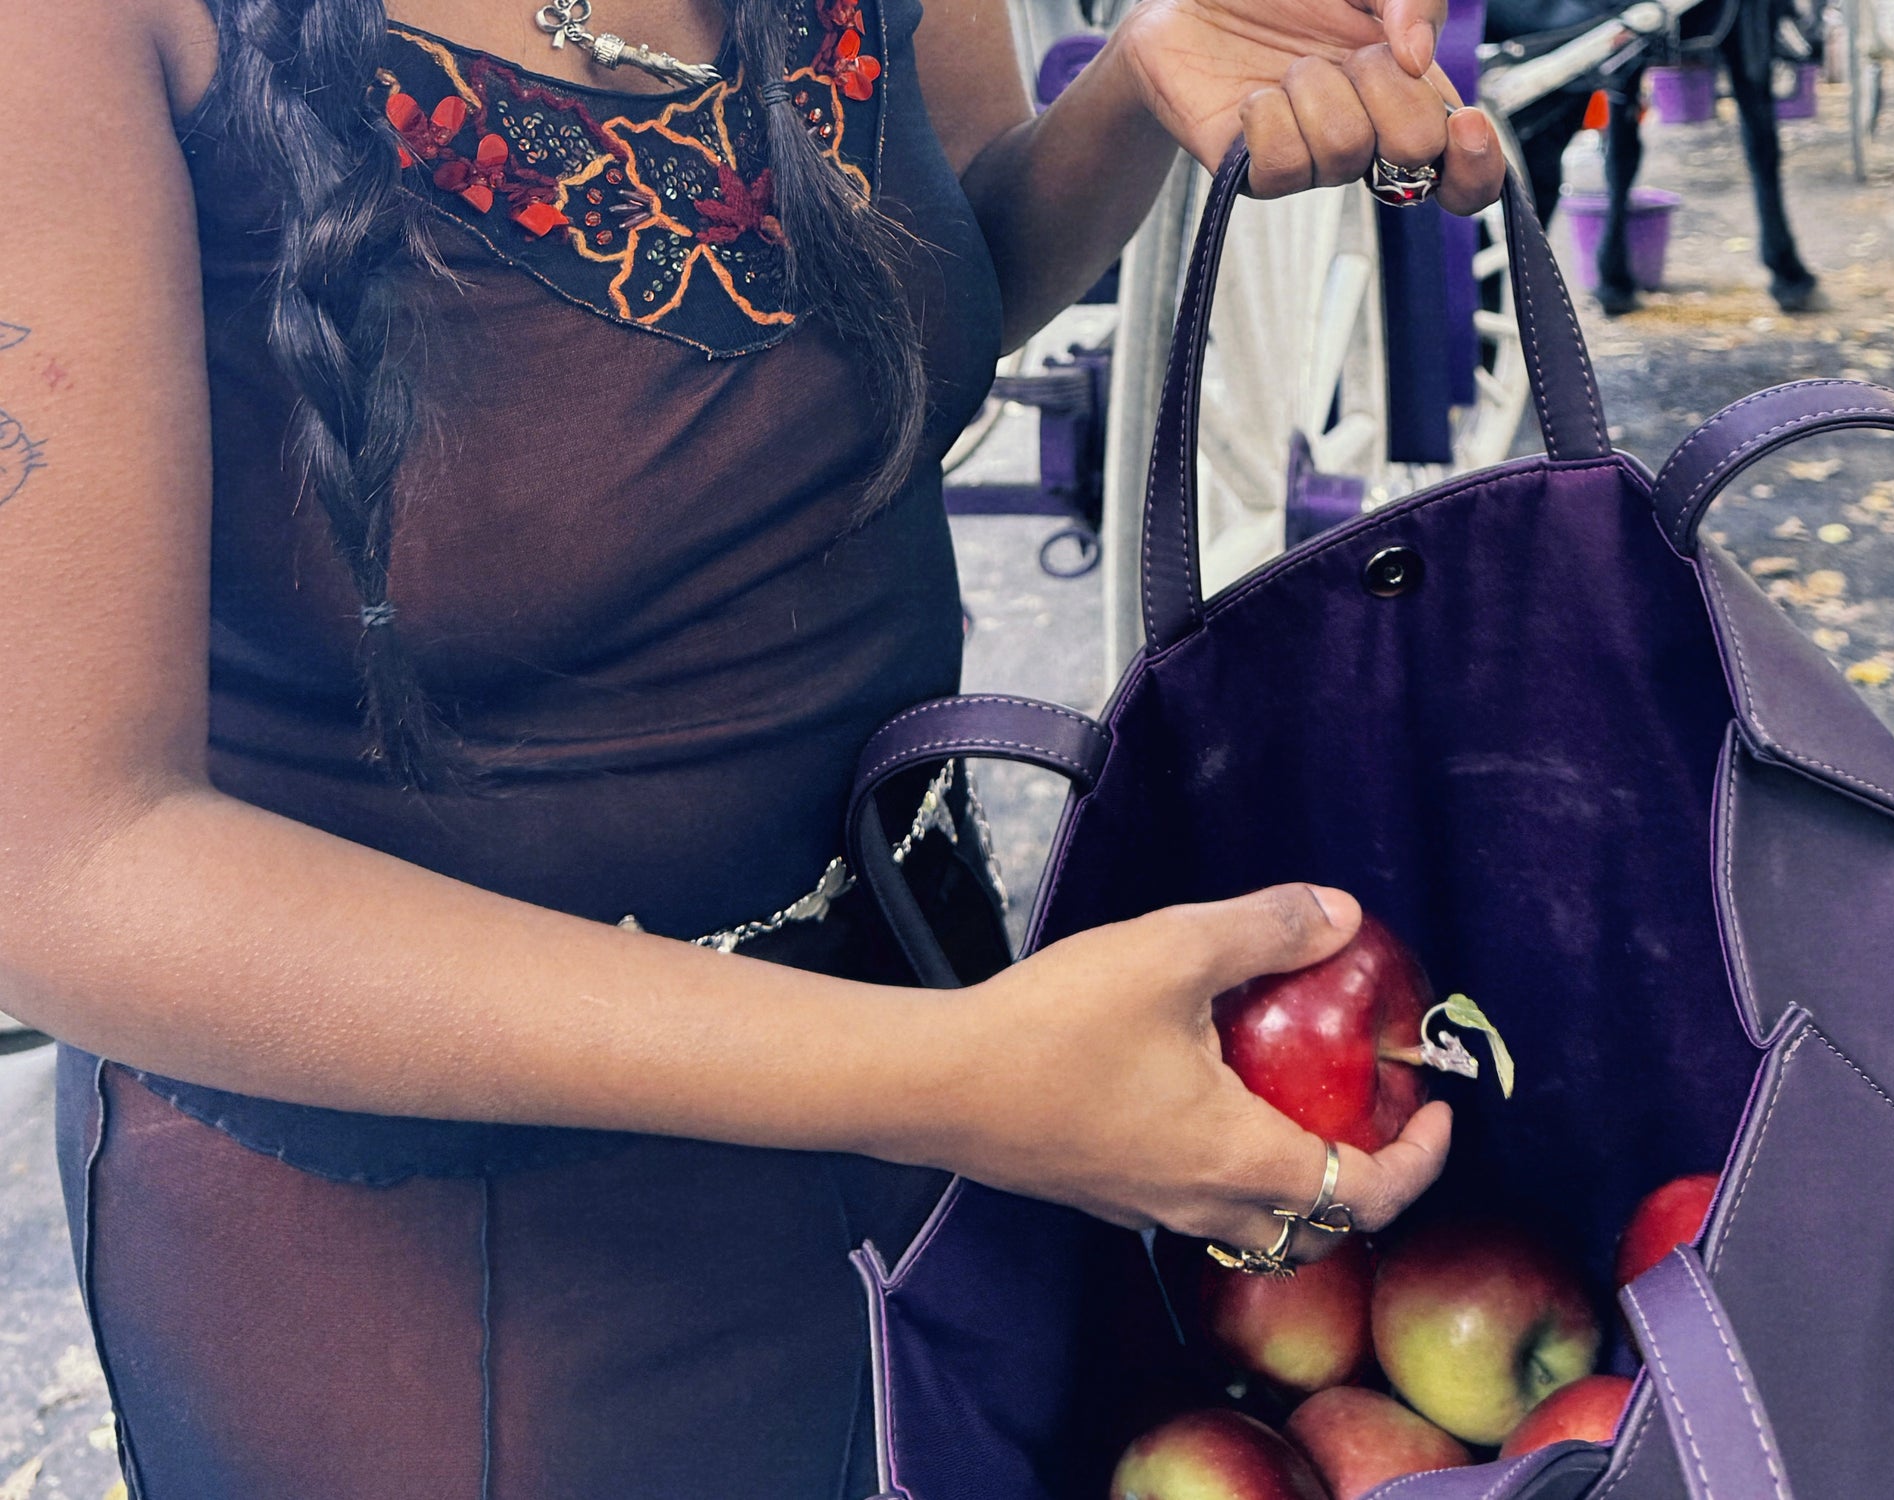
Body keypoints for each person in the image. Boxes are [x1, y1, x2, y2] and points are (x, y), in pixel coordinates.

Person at [0, 0, 1504, 1493]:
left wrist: (1131, 100)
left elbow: (904, 311)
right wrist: (951, 1076)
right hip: (457, 1269)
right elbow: (60, 871)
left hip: (958, 1072)